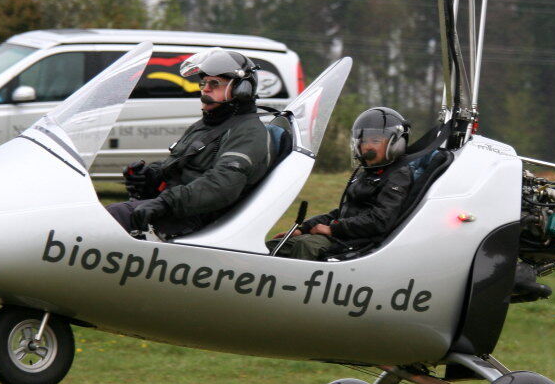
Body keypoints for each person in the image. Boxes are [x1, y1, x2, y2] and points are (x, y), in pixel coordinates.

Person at [107, 47, 271, 238]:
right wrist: (148, 177)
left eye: (215, 83)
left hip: (194, 221)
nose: (205, 89)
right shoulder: (206, 125)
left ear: (241, 90)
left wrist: (165, 203)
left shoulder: (248, 132)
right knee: (95, 216)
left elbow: (221, 186)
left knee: (109, 218)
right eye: (204, 83)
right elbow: (180, 165)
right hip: (177, 210)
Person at [271, 107, 414, 260]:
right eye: (364, 141)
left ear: (396, 144)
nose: (367, 146)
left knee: (305, 246)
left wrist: (333, 229)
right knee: (277, 245)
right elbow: (343, 212)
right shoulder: (368, 172)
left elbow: (380, 221)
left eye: (376, 141)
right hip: (344, 235)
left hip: (359, 241)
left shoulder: (398, 175)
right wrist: (304, 228)